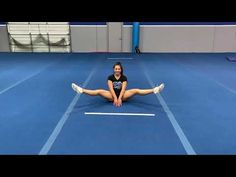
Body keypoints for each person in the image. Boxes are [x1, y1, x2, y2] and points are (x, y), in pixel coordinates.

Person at [72, 62, 164, 107]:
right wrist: (115, 98)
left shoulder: (124, 78)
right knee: (99, 91)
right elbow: (111, 89)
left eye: (118, 69)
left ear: (121, 70)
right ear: (113, 69)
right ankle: (81, 90)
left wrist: (119, 98)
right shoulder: (110, 77)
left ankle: (154, 90)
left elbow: (123, 89)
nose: (117, 70)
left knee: (136, 90)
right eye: (115, 69)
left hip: (122, 95)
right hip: (111, 95)